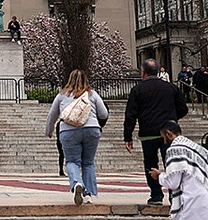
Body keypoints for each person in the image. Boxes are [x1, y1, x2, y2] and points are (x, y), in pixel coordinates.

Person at [124, 58, 188, 206]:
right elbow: (183, 108)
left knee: (151, 164)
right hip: (169, 133)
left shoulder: (138, 89)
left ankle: (156, 194)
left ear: (143, 72)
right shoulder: (170, 87)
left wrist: (128, 136)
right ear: (159, 71)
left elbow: (131, 114)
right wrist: (172, 118)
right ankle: (174, 194)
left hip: (148, 131)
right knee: (171, 163)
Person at [149, 120, 208, 220]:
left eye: (163, 138)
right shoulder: (200, 149)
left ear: (168, 133)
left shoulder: (174, 150)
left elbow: (173, 183)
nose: (164, 142)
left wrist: (160, 176)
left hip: (189, 202)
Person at [45, 69, 109, 205]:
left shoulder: (62, 96)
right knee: (88, 162)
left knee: (72, 161)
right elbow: (103, 114)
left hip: (69, 130)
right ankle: (88, 194)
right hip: (91, 129)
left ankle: (77, 183)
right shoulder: (92, 94)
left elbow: (52, 115)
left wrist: (49, 131)